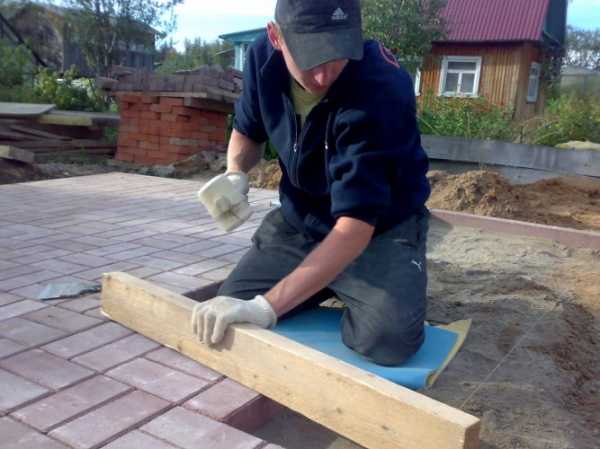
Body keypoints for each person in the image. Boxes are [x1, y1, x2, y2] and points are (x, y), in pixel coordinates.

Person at [192, 0, 431, 366]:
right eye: (311, 58)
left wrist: (267, 308)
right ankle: (324, 278)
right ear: (276, 37)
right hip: (302, 220)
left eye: (337, 55)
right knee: (233, 305)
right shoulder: (261, 59)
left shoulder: (382, 88)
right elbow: (247, 130)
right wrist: (236, 173)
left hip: (380, 227)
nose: (323, 76)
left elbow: (355, 227)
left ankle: (352, 279)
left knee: (387, 341)